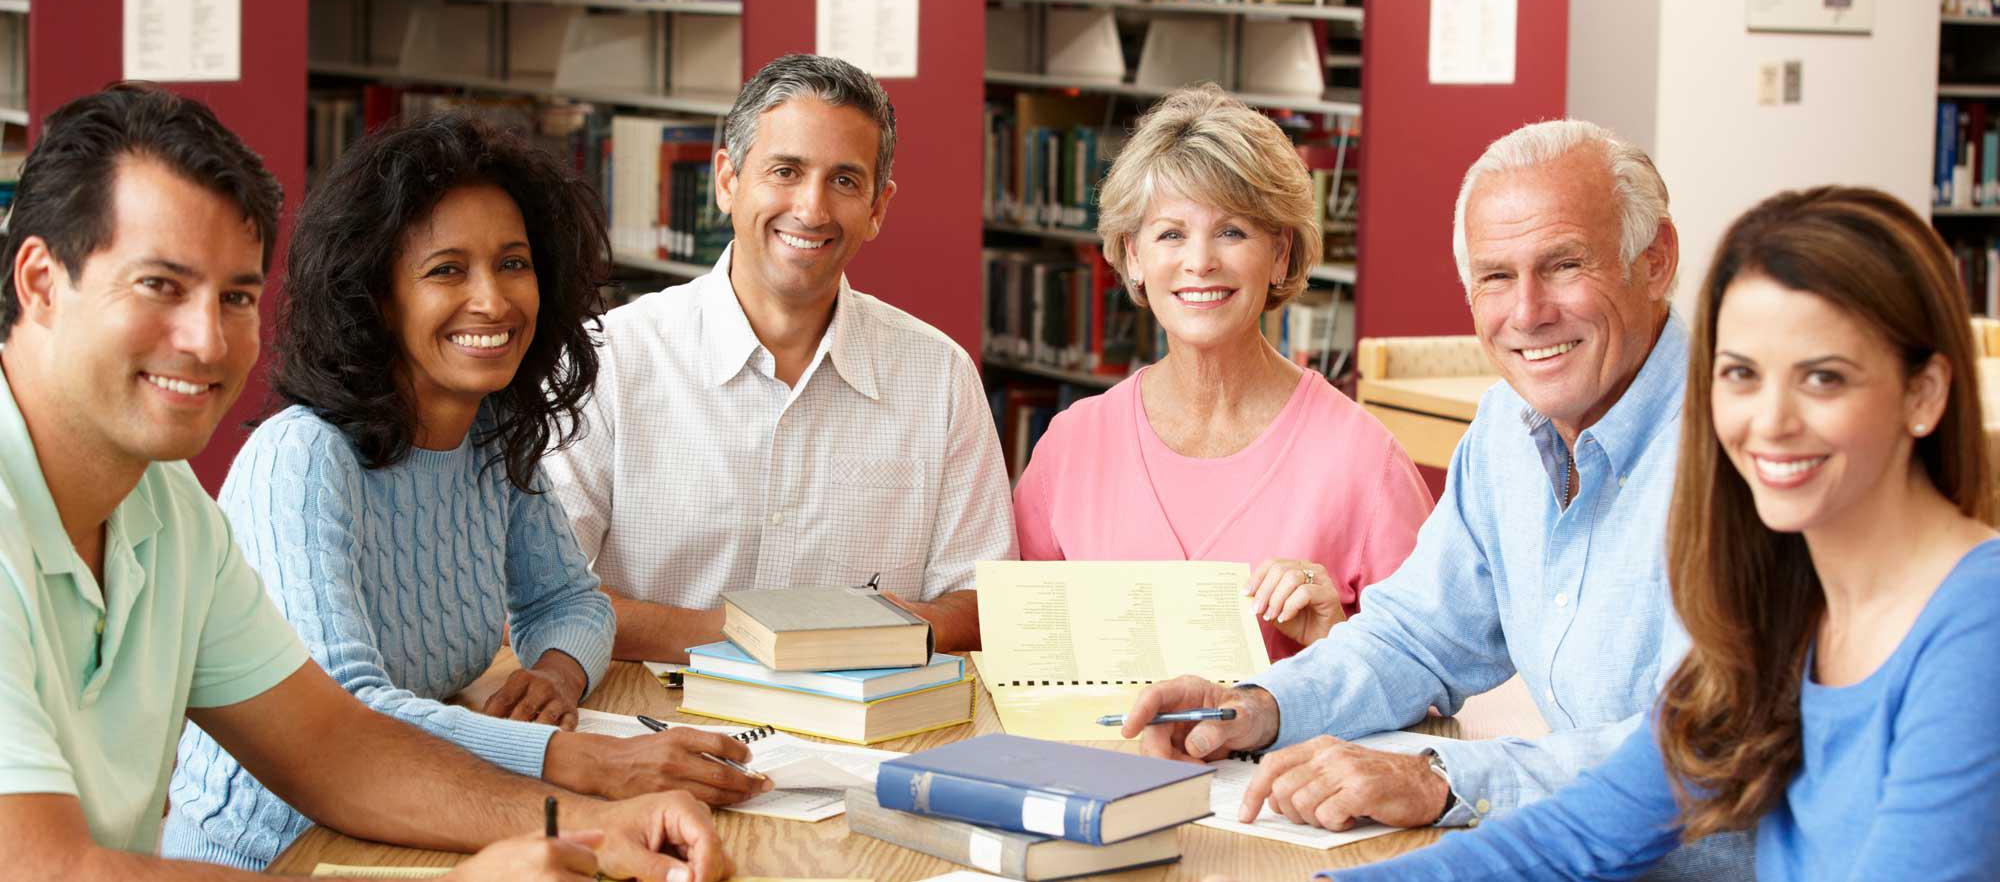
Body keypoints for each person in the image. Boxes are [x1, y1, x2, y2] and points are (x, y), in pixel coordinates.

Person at [0, 84, 728, 882]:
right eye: (160, 286)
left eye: (237, 296)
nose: (207, 340)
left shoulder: (166, 510)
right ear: (39, 281)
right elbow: (51, 871)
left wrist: (592, 827)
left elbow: (333, 748)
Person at [1120, 120, 1749, 878]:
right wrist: (1253, 708)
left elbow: (1700, 748)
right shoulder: (1504, 432)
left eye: (1564, 264)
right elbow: (1414, 637)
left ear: (1655, 261)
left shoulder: (1743, 450)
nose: (1526, 312)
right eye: (1494, 277)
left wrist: (1440, 777)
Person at [1325, 187, 2000, 880]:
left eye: (1823, 379)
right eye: (1741, 374)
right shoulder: (1783, 607)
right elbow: (1579, 832)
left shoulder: (1979, 624)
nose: (1769, 421)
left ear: (1924, 394)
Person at [163, 115, 768, 871]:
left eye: (513, 263)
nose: (493, 300)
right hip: (277, 852)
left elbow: (570, 602)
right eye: (447, 270)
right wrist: (575, 758)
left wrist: (555, 674)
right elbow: (350, 714)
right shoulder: (304, 458)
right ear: (378, 296)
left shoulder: (488, 437)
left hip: (420, 822)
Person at [544, 54, 1016, 662]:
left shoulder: (940, 377)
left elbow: (979, 599)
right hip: (650, 726)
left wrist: (865, 636)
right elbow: (540, 595)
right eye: (786, 171)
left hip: (860, 729)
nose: (812, 209)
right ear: (727, 181)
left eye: (844, 181)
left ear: (878, 208)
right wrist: (751, 639)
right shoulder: (610, 361)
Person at [1012, 86, 1431, 660]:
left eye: (1232, 231)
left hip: (1287, 752)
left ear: (1280, 253)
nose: (1200, 261)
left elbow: (1429, 683)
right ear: (1133, 255)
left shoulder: (1366, 462)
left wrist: (1338, 640)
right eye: (1171, 234)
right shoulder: (1071, 447)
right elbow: (1019, 647)